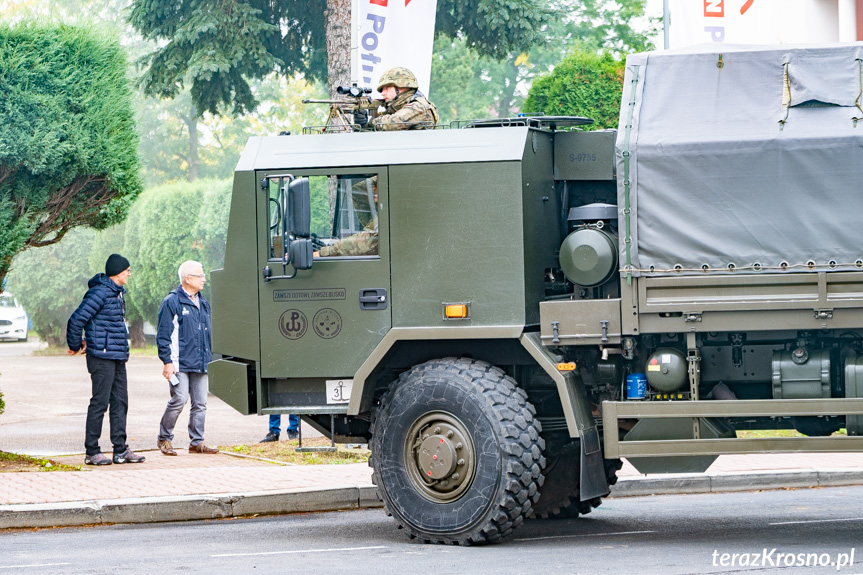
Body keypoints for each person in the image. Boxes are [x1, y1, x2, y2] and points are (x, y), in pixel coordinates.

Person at [67, 254, 145, 466]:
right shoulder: (99, 292)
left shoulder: (117, 293)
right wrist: (75, 345)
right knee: (100, 403)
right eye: (128, 270)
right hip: (101, 356)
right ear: (118, 272)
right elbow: (76, 320)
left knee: (120, 402)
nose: (130, 273)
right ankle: (92, 451)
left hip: (117, 355)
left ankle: (120, 450)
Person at [156, 260, 218, 455]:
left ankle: (196, 442)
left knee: (200, 404)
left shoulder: (203, 303)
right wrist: (167, 362)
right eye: (200, 275)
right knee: (179, 399)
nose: (204, 279)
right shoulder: (171, 302)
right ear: (187, 278)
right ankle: (164, 439)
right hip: (179, 364)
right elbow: (163, 336)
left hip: (200, 361)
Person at [354, 67, 439, 131]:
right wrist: (362, 125)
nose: (383, 93)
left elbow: (393, 123)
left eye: (387, 88)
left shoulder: (418, 107)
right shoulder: (395, 109)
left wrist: (371, 122)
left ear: (403, 86)